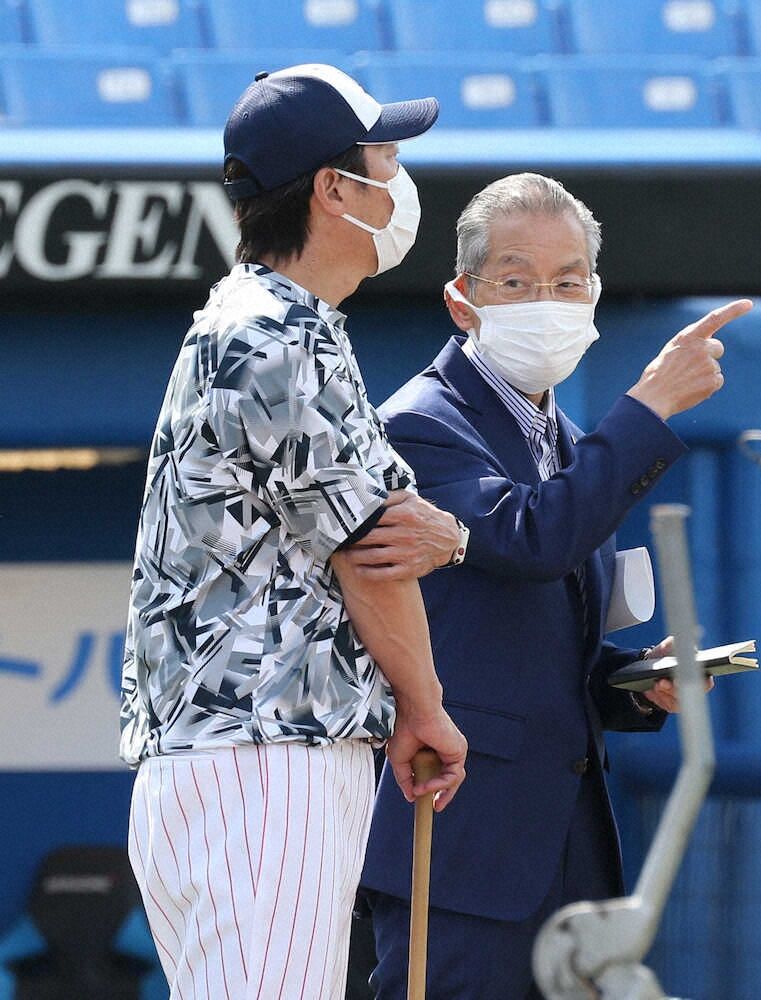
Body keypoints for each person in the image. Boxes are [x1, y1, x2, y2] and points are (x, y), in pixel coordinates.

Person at [351, 173, 752, 999]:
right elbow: (532, 538)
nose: (546, 301)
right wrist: (648, 406)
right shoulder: (418, 423)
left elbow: (528, 633)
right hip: (459, 839)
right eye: (515, 281)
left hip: (564, 843)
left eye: (568, 282)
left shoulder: (565, 437)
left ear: (594, 296)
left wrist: (633, 683)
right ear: (462, 300)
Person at [120, 63, 468, 1000]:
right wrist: (424, 706)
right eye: (383, 159)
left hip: (218, 759)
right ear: (332, 188)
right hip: (269, 760)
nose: (397, 179)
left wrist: (441, 534)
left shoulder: (250, 318)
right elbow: (375, 551)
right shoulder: (279, 332)